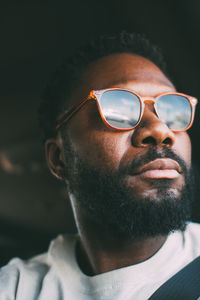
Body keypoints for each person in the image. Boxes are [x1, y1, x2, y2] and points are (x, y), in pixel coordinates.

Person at [0, 31, 200, 300]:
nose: (161, 129)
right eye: (120, 109)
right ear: (59, 158)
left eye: (172, 108)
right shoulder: (15, 289)